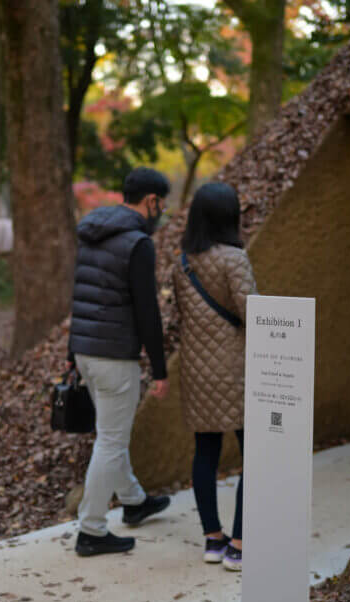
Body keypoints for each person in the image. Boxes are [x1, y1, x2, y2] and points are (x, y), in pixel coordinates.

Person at [69, 167, 172, 557]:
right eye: (162, 203)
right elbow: (148, 312)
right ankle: (92, 530)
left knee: (111, 432)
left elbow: (80, 294)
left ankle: (133, 500)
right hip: (114, 357)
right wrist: (160, 370)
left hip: (86, 352)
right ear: (151, 201)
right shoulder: (138, 243)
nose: (162, 210)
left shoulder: (92, 232)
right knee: (112, 438)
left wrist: (71, 354)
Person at [172, 182, 257, 571]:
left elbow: (183, 319)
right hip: (234, 369)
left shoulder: (182, 262)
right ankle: (238, 545)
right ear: (230, 216)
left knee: (205, 452)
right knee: (254, 454)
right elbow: (252, 314)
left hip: (196, 370)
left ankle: (212, 539)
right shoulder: (234, 260)